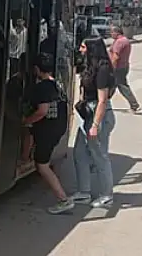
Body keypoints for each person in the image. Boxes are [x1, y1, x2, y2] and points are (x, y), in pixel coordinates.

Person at [22, 53, 73, 214]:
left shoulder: (42, 87)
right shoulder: (58, 84)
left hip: (48, 130)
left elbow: (42, 111)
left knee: (42, 165)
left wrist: (26, 120)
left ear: (37, 69)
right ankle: (27, 159)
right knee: (43, 159)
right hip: (58, 127)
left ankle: (63, 199)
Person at [71, 37, 116, 209]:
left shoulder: (103, 69)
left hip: (99, 114)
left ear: (92, 49)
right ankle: (84, 191)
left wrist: (95, 125)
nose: (80, 50)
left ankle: (107, 195)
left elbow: (102, 100)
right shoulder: (89, 66)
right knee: (79, 152)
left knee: (99, 156)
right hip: (89, 113)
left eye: (83, 47)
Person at [108, 25, 142, 115]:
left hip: (118, 68)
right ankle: (104, 104)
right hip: (123, 67)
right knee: (111, 86)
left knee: (122, 86)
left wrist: (112, 69)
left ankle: (135, 106)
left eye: (111, 32)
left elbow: (115, 57)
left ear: (116, 32)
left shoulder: (119, 42)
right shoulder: (125, 40)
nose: (110, 34)